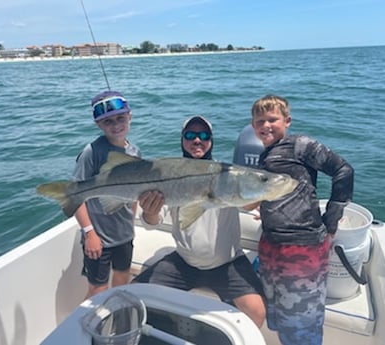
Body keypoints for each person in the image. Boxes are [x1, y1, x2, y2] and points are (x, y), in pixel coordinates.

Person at [134, 115, 266, 328]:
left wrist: (264, 195)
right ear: (182, 140)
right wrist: (150, 212)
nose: (197, 140)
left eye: (204, 135)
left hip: (227, 263)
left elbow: (249, 203)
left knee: (256, 310)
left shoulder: (229, 175)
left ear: (211, 141)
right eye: (191, 135)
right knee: (136, 295)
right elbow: (153, 222)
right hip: (184, 262)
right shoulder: (168, 176)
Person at [249, 94, 354, 345]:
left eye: (272, 119)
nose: (266, 125)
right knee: (278, 317)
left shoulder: (300, 145)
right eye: (259, 121)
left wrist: (332, 219)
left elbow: (343, 171)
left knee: (302, 327)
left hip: (303, 248)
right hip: (271, 245)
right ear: (253, 126)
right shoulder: (266, 154)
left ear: (287, 121)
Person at [73, 90, 140, 299]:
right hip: (99, 237)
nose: (116, 125)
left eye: (120, 118)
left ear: (130, 116)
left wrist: (133, 222)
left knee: (122, 278)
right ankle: (83, 327)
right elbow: (74, 195)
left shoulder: (136, 152)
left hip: (124, 234)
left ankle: (115, 316)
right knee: (98, 288)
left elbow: (135, 192)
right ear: (99, 125)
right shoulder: (92, 152)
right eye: (108, 121)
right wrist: (90, 234)